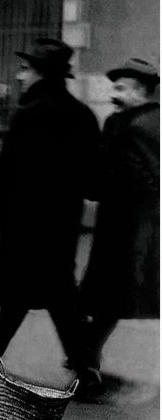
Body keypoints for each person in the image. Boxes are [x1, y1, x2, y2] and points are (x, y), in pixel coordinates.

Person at [0, 38, 101, 390]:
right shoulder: (83, 116)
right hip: (61, 221)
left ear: (40, 73)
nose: (19, 75)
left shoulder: (29, 114)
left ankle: (82, 363)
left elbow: (7, 173)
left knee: (29, 288)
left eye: (25, 69)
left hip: (25, 220)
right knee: (53, 290)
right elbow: (91, 179)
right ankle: (82, 364)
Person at [78, 58, 160, 379]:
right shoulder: (124, 120)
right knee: (106, 294)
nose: (113, 92)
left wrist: (106, 182)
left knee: (109, 293)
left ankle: (86, 354)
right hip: (119, 222)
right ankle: (86, 351)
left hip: (129, 225)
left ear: (140, 90)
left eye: (120, 87)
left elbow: (147, 175)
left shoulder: (141, 125)